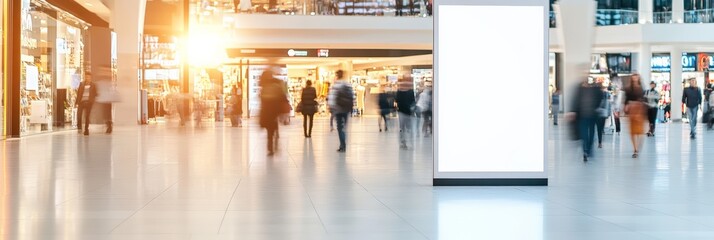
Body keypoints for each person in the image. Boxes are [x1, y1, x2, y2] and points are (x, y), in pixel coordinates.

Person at [570, 78, 603, 161]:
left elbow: (599, 98)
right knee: (586, 134)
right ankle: (586, 150)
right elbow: (575, 102)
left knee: (590, 134)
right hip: (584, 116)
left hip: (591, 116)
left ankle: (587, 149)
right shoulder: (581, 92)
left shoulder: (593, 91)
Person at [259, 69, 289, 156]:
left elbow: (262, 100)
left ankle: (270, 148)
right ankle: (274, 141)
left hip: (268, 111)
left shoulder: (265, 86)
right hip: (274, 111)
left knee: (269, 130)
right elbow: (282, 97)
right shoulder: (276, 84)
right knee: (272, 128)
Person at [327, 70, 354, 152]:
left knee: (340, 127)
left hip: (338, 109)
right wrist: (351, 107)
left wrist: (330, 107)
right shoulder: (347, 84)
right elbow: (352, 96)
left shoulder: (336, 85)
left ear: (337, 75)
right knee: (344, 127)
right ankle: (343, 143)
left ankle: (342, 145)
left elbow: (331, 97)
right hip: (346, 109)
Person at [625, 75, 646, 158]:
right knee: (633, 131)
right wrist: (626, 106)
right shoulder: (628, 89)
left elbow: (644, 99)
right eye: (633, 78)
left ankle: (637, 147)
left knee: (640, 131)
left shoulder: (641, 89)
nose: (635, 79)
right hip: (632, 111)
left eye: (636, 77)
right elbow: (626, 100)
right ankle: (635, 149)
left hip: (640, 111)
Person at [395, 76, 416, 150]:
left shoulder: (399, 91)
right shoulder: (410, 91)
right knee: (408, 128)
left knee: (402, 128)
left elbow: (397, 100)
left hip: (402, 111)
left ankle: (403, 142)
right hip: (407, 112)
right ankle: (407, 142)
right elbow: (413, 101)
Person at [595, 84, 610, 149]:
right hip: (603, 113)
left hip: (598, 113)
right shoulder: (606, 94)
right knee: (600, 128)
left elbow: (608, 104)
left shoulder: (596, 95)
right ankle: (600, 142)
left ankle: (600, 142)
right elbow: (608, 104)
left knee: (599, 128)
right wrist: (608, 113)